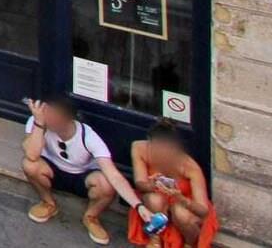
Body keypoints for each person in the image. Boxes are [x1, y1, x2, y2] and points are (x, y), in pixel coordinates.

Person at [23, 94, 167, 245]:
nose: (47, 117)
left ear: (67, 119)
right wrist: (39, 125)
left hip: (82, 178)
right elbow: (31, 155)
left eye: (52, 115)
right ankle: (48, 203)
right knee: (30, 165)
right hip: (52, 170)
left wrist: (139, 206)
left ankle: (91, 217)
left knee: (106, 184)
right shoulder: (37, 122)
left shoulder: (89, 137)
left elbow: (114, 175)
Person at [129, 121, 216, 247]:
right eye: (156, 148)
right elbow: (139, 184)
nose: (161, 154)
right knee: (154, 200)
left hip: (185, 204)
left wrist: (180, 198)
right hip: (157, 203)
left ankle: (189, 244)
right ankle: (155, 238)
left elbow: (203, 211)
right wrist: (151, 185)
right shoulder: (139, 148)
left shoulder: (189, 166)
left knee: (180, 213)